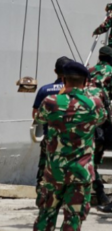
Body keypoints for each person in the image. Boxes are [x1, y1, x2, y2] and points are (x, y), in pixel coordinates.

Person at [28, 62, 106, 231]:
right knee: (73, 220)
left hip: (53, 172)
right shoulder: (93, 103)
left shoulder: (50, 102)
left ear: (63, 79)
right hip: (80, 173)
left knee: (45, 215)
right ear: (86, 82)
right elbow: (102, 118)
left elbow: (38, 119)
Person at [89, 46, 112, 211]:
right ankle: (101, 194)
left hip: (86, 116)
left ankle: (96, 191)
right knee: (98, 154)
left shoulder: (90, 70)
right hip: (103, 118)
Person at [32, 56, 72, 190]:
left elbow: (35, 115)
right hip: (71, 137)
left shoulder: (44, 90)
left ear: (55, 70)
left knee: (45, 166)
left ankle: (42, 195)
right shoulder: (77, 91)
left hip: (49, 136)